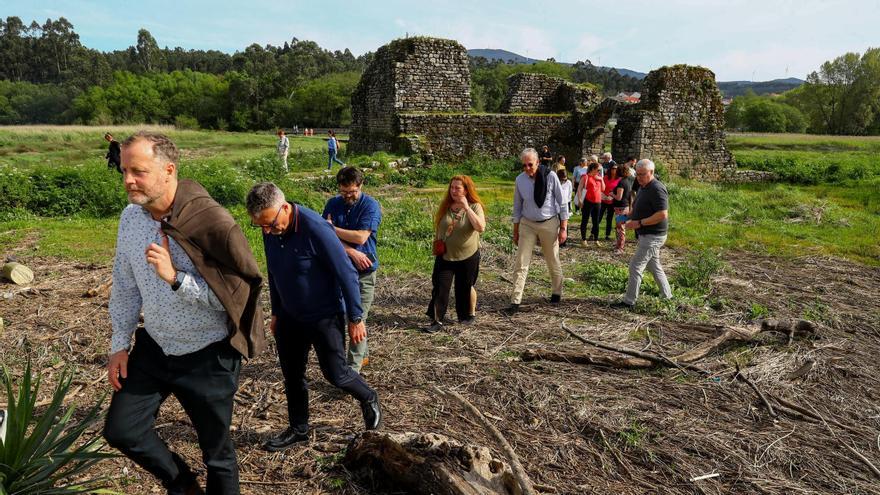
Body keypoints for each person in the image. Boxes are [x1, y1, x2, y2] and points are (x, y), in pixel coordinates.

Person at [104, 131, 266, 495]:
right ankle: (182, 484)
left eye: (139, 171)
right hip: (156, 347)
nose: (128, 179)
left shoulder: (212, 223)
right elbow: (125, 284)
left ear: (169, 170)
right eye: (125, 170)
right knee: (121, 431)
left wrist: (176, 278)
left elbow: (235, 298)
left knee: (218, 456)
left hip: (208, 356)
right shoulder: (131, 219)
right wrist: (119, 345)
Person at [246, 182, 381, 452]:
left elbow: (347, 273)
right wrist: (276, 311)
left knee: (336, 374)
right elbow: (274, 272)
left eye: (270, 224)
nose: (267, 231)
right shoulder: (271, 226)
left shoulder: (316, 228)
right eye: (260, 226)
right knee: (292, 375)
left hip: (323, 315)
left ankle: (368, 397)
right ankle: (299, 428)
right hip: (289, 316)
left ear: (284, 208)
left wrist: (356, 317)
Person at [322, 167, 382, 373]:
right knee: (342, 315)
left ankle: (352, 372)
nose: (348, 196)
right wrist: (352, 252)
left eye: (352, 192)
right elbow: (324, 239)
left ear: (361, 186)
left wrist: (331, 228)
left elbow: (361, 237)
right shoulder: (332, 204)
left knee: (358, 319)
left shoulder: (371, 205)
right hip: (339, 272)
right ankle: (362, 355)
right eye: (344, 192)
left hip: (364, 273)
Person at [502, 148, 569, 315]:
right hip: (527, 224)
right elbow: (517, 207)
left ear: (538, 163)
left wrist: (563, 228)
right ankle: (515, 301)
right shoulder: (520, 180)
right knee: (521, 262)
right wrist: (516, 230)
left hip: (549, 223)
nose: (527, 168)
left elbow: (562, 203)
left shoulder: (551, 176)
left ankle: (556, 292)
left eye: (530, 165)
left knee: (552, 259)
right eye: (524, 165)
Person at [425, 175, 486, 332]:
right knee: (440, 287)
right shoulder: (446, 205)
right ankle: (437, 320)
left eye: (457, 188)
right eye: (451, 187)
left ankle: (466, 316)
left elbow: (480, 227)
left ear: (466, 190)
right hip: (446, 256)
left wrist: (466, 208)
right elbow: (441, 227)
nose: (453, 191)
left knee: (464, 287)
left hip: (468, 256)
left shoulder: (475, 207)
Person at [612, 159, 673, 309]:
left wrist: (639, 223)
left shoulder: (657, 189)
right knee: (654, 266)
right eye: (637, 174)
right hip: (647, 234)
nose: (639, 178)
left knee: (635, 266)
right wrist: (626, 217)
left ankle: (629, 301)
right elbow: (638, 208)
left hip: (654, 235)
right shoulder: (643, 186)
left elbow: (662, 215)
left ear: (651, 172)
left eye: (642, 174)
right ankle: (667, 295)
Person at [576, 162, 604, 246]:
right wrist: (580, 199)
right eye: (598, 169)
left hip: (598, 202)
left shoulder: (599, 178)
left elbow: (603, 189)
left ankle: (596, 239)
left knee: (596, 222)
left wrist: (601, 180)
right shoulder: (585, 177)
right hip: (588, 201)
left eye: (600, 170)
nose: (599, 171)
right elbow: (579, 189)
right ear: (593, 169)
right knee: (585, 220)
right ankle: (583, 239)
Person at [613, 162, 634, 254]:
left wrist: (611, 194)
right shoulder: (628, 181)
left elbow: (619, 197)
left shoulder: (621, 183)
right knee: (620, 227)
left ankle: (620, 247)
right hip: (624, 207)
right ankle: (619, 244)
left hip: (621, 208)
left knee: (621, 227)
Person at [599, 164, 621, 241]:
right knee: (599, 217)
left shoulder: (619, 180)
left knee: (609, 218)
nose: (614, 170)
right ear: (610, 169)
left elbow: (619, 191)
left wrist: (612, 196)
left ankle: (607, 235)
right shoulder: (605, 177)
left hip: (612, 201)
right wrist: (603, 195)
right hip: (603, 199)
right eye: (612, 168)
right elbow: (601, 187)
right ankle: (593, 233)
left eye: (615, 169)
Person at [557, 168, 572, 247]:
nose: (564, 181)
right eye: (562, 180)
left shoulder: (568, 182)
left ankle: (564, 241)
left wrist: (569, 205)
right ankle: (556, 240)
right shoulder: (556, 183)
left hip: (565, 204)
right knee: (557, 223)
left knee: (564, 224)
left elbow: (569, 194)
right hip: (556, 205)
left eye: (565, 179)